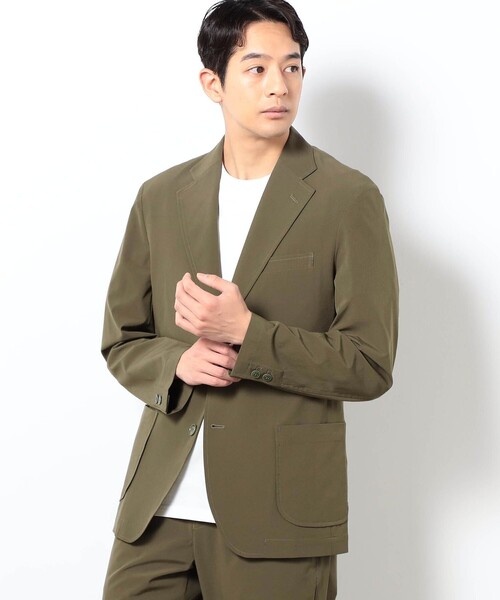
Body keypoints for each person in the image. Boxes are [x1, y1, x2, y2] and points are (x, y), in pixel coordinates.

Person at [101, 0, 399, 598]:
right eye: (257, 68)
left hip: (279, 515)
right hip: (157, 510)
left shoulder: (347, 198)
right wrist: (177, 363)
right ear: (212, 82)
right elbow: (122, 340)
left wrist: (248, 333)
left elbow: (370, 364)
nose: (279, 86)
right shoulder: (161, 197)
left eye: (292, 67)